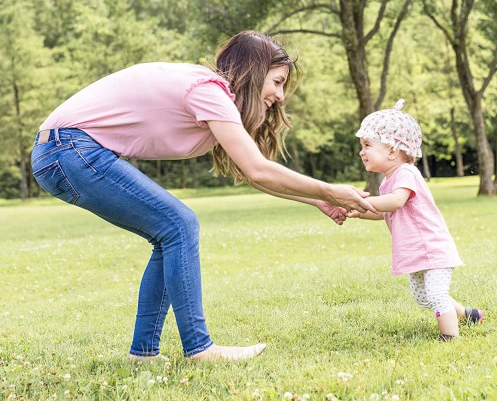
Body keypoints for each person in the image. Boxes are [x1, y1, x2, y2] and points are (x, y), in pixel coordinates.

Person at [31, 30, 374, 362]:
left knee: (169, 232)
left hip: (60, 153)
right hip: (70, 150)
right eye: (277, 82)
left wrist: (317, 200)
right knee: (178, 224)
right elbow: (258, 169)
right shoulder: (209, 91)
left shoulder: (210, 95)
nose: (281, 96)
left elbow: (253, 174)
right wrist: (330, 189)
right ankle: (199, 348)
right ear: (254, 73)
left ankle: (144, 353)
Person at [348, 99, 483, 340]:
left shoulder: (406, 172)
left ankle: (450, 337)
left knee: (436, 294)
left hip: (431, 247)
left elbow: (396, 201)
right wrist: (359, 212)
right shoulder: (388, 180)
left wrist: (360, 201)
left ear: (392, 150)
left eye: (367, 144)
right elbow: (384, 211)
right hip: (415, 250)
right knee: (423, 297)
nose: (361, 151)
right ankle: (468, 315)